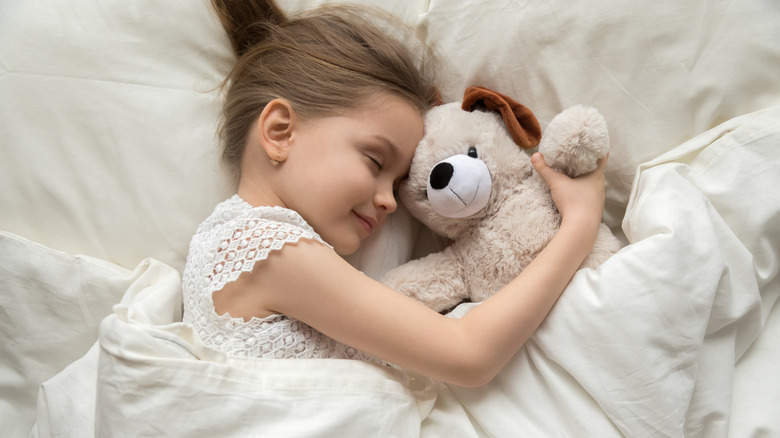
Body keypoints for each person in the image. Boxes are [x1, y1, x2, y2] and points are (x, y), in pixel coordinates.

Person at [182, 0, 608, 388]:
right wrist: (579, 228)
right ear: (280, 132)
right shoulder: (265, 249)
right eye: (374, 161)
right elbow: (467, 355)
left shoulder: (232, 242)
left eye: (399, 181)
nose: (389, 201)